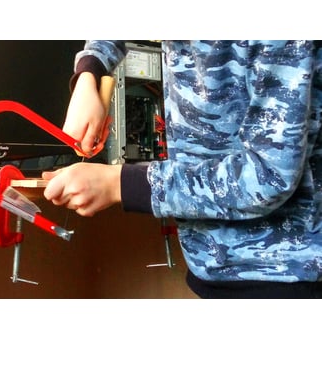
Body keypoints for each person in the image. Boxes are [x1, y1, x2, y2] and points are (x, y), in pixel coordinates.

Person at [42, 40, 322, 298]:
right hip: (208, 267)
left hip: (282, 275)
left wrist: (120, 184)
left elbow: (269, 176)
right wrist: (89, 74)